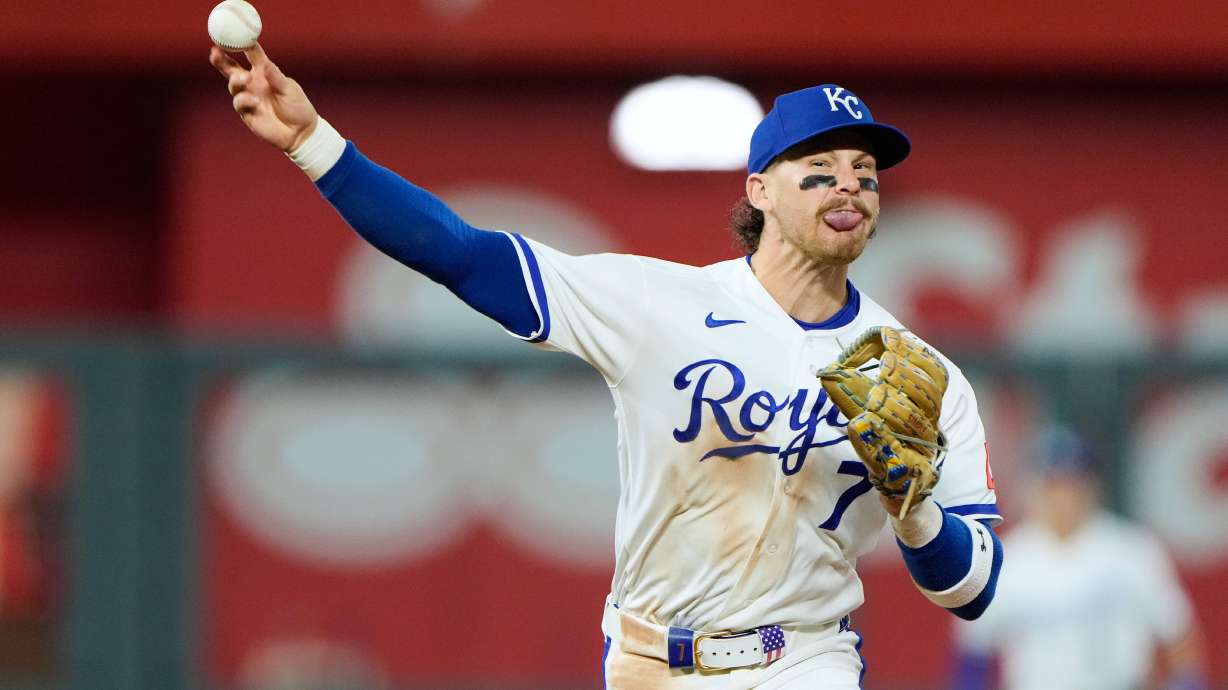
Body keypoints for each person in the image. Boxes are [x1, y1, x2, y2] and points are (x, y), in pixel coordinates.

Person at [210, 43, 1004, 690]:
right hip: (649, 659)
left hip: (803, 657)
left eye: (866, 174)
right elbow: (463, 256)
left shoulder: (917, 372)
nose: (851, 187)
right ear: (759, 190)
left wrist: (915, 512)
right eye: (822, 169)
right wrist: (314, 145)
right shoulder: (659, 303)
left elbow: (975, 588)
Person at [953, 425, 1206, 690]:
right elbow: (972, 655)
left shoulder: (1132, 551)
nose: (1063, 497)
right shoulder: (1002, 560)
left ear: (1092, 486)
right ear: (1032, 488)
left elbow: (1180, 640)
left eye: (1072, 484)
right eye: (1053, 484)